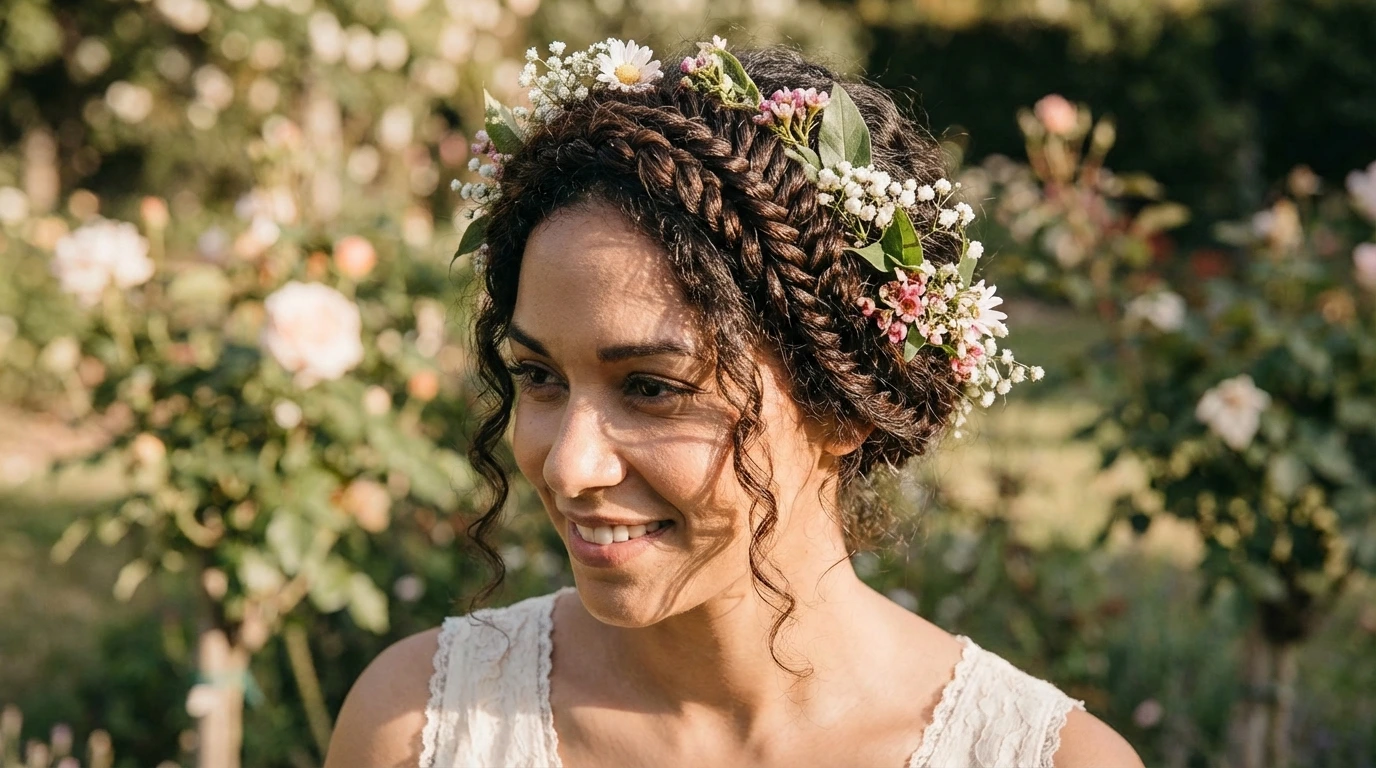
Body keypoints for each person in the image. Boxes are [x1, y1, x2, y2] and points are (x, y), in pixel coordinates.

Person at [324, 38, 1144, 768]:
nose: (570, 466)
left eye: (651, 389)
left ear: (846, 400)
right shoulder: (411, 728)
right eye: (541, 376)